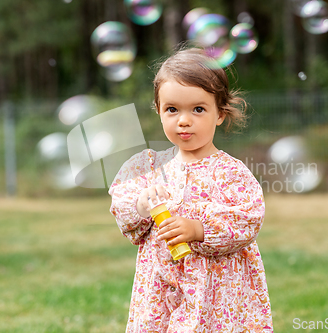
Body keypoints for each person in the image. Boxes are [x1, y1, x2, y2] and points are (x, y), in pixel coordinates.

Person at [108, 47, 273, 332]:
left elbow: (248, 218)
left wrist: (199, 230)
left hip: (216, 292)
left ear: (220, 114)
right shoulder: (148, 167)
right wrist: (141, 205)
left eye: (198, 109)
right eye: (172, 109)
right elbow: (122, 206)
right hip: (160, 289)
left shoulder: (230, 172)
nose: (184, 120)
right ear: (158, 111)